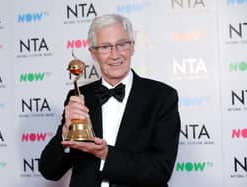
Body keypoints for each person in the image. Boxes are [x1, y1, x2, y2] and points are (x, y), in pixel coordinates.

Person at [39, 14, 180, 187]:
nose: (115, 55)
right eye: (105, 47)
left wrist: (105, 154)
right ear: (93, 53)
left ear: (132, 47)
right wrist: (65, 132)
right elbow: (49, 171)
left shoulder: (162, 97)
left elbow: (160, 170)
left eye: (121, 44)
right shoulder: (79, 97)